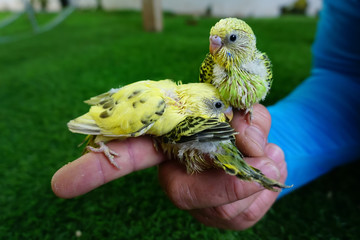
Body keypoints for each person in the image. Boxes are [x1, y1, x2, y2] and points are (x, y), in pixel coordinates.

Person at [51, 0, 360, 230]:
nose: (215, 47)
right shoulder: (211, 70)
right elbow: (342, 72)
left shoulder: (261, 66)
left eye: (230, 39)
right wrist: (270, 145)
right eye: (214, 39)